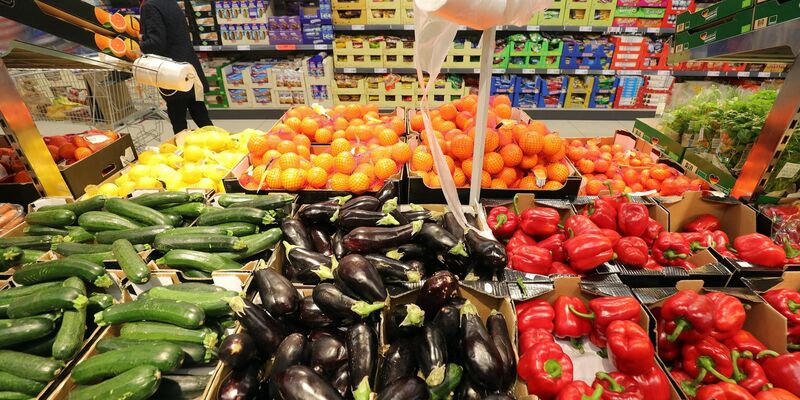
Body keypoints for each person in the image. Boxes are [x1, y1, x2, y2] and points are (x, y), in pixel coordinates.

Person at [139, 0, 214, 133]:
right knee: (202, 118)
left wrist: (136, 43)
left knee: (179, 123)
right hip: (188, 69)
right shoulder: (169, 2)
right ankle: (221, 145)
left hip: (173, 74)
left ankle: (184, 150)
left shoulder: (149, 6)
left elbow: (156, 43)